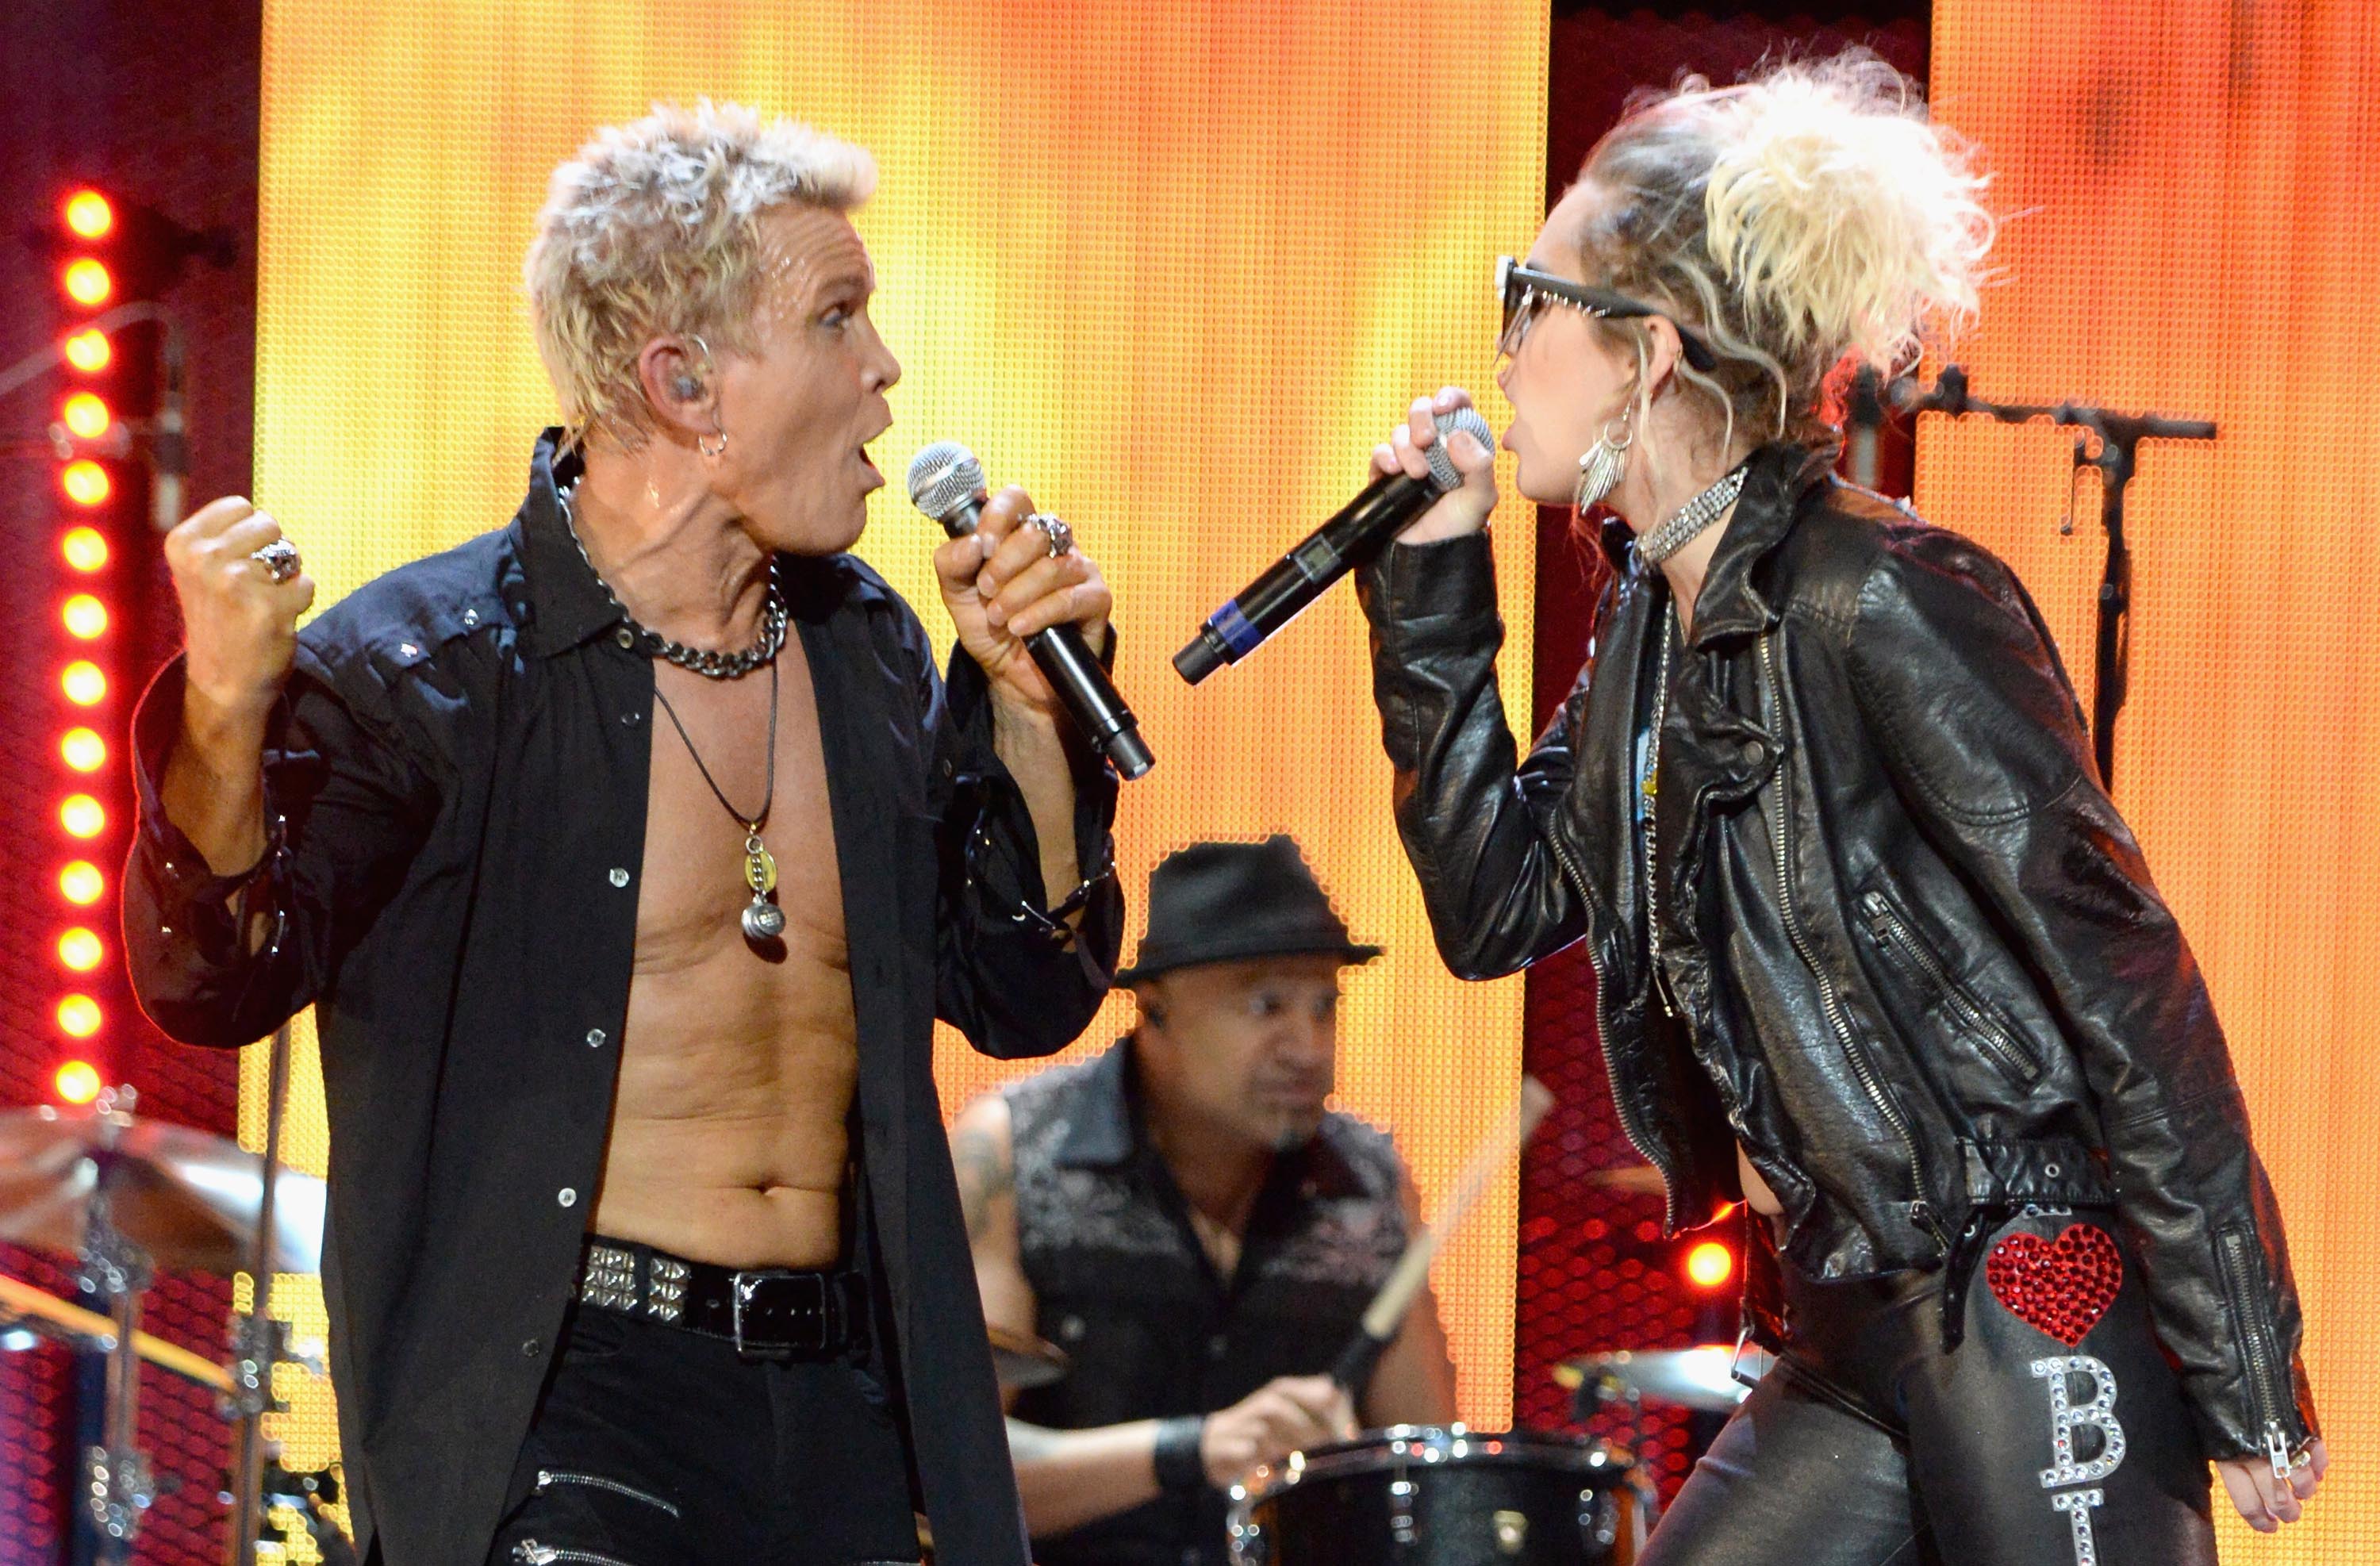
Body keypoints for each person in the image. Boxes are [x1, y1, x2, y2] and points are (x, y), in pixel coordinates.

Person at [1353, 52, 2324, 1566]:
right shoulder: (1654, 632)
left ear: (1646, 352)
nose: (1504, 347)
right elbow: (1493, 903)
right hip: (1846, 1315)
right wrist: (1427, 589)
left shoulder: (1882, 594)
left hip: (2020, 1288)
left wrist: (2247, 1363)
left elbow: (2125, 976)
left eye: (1530, 300)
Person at [124, 102, 1123, 1566]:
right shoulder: (428, 669)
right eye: (838, 317)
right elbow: (213, 977)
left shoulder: (869, 651)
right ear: (683, 382)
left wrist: (1032, 712)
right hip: (568, 1404)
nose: (886, 368)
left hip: (843, 1396)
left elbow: (1027, 990)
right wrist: (223, 709)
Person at [951, 835, 1458, 1566]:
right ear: (1155, 1010)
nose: (1309, 1047)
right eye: (1266, 1005)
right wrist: (1192, 1449)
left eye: (1324, 1007)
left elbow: (1431, 1481)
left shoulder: (1369, 1185)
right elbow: (955, 1467)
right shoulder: (1012, 1152)